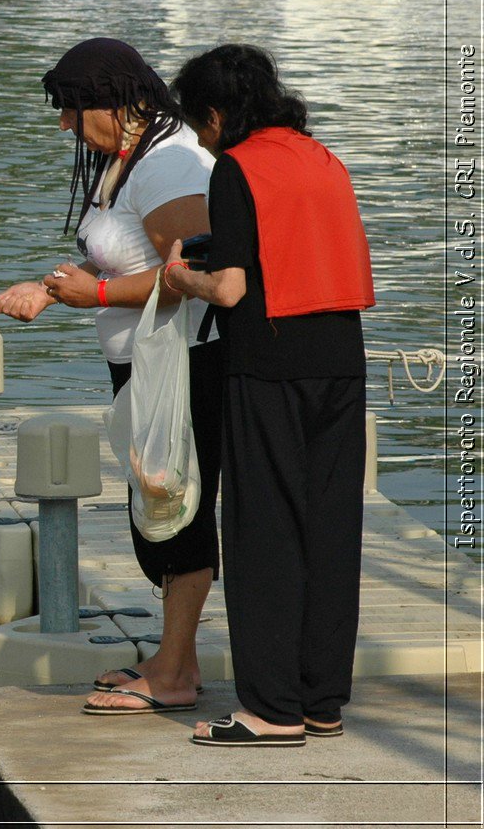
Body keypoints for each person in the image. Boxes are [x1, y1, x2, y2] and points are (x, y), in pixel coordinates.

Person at [0, 37, 223, 716]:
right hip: (144, 363)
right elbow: (118, 255)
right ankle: (172, 658)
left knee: (175, 507)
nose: (65, 125)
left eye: (70, 110)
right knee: (157, 508)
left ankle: (175, 673)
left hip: (186, 360)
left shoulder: (169, 165)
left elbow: (188, 274)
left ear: (114, 103)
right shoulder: (126, 155)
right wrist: (48, 288)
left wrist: (89, 299)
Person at [166, 44, 373, 747]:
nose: (200, 138)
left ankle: (272, 709)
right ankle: (321, 701)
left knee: (263, 532)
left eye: (200, 124)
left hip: (268, 362)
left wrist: (179, 279)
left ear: (219, 115)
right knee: (329, 530)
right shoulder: (322, 158)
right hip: (341, 358)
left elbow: (228, 287)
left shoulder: (236, 166)